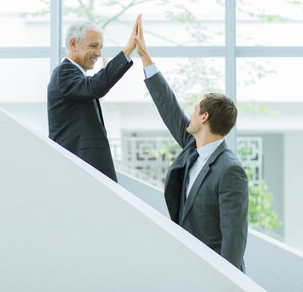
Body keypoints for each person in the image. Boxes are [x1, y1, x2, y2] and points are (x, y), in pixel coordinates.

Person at [133, 15, 249, 271]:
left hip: (213, 275)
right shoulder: (192, 147)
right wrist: (145, 58)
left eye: (195, 109)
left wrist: (227, 284)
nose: (190, 114)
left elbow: (234, 237)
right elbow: (169, 108)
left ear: (204, 117)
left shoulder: (230, 170)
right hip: (187, 267)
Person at [47, 17, 139, 182]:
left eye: (101, 47)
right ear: (73, 44)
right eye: (93, 46)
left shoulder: (75, 77)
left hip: (82, 167)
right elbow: (95, 87)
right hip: (78, 167)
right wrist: (127, 51)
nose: (98, 53)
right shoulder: (64, 73)